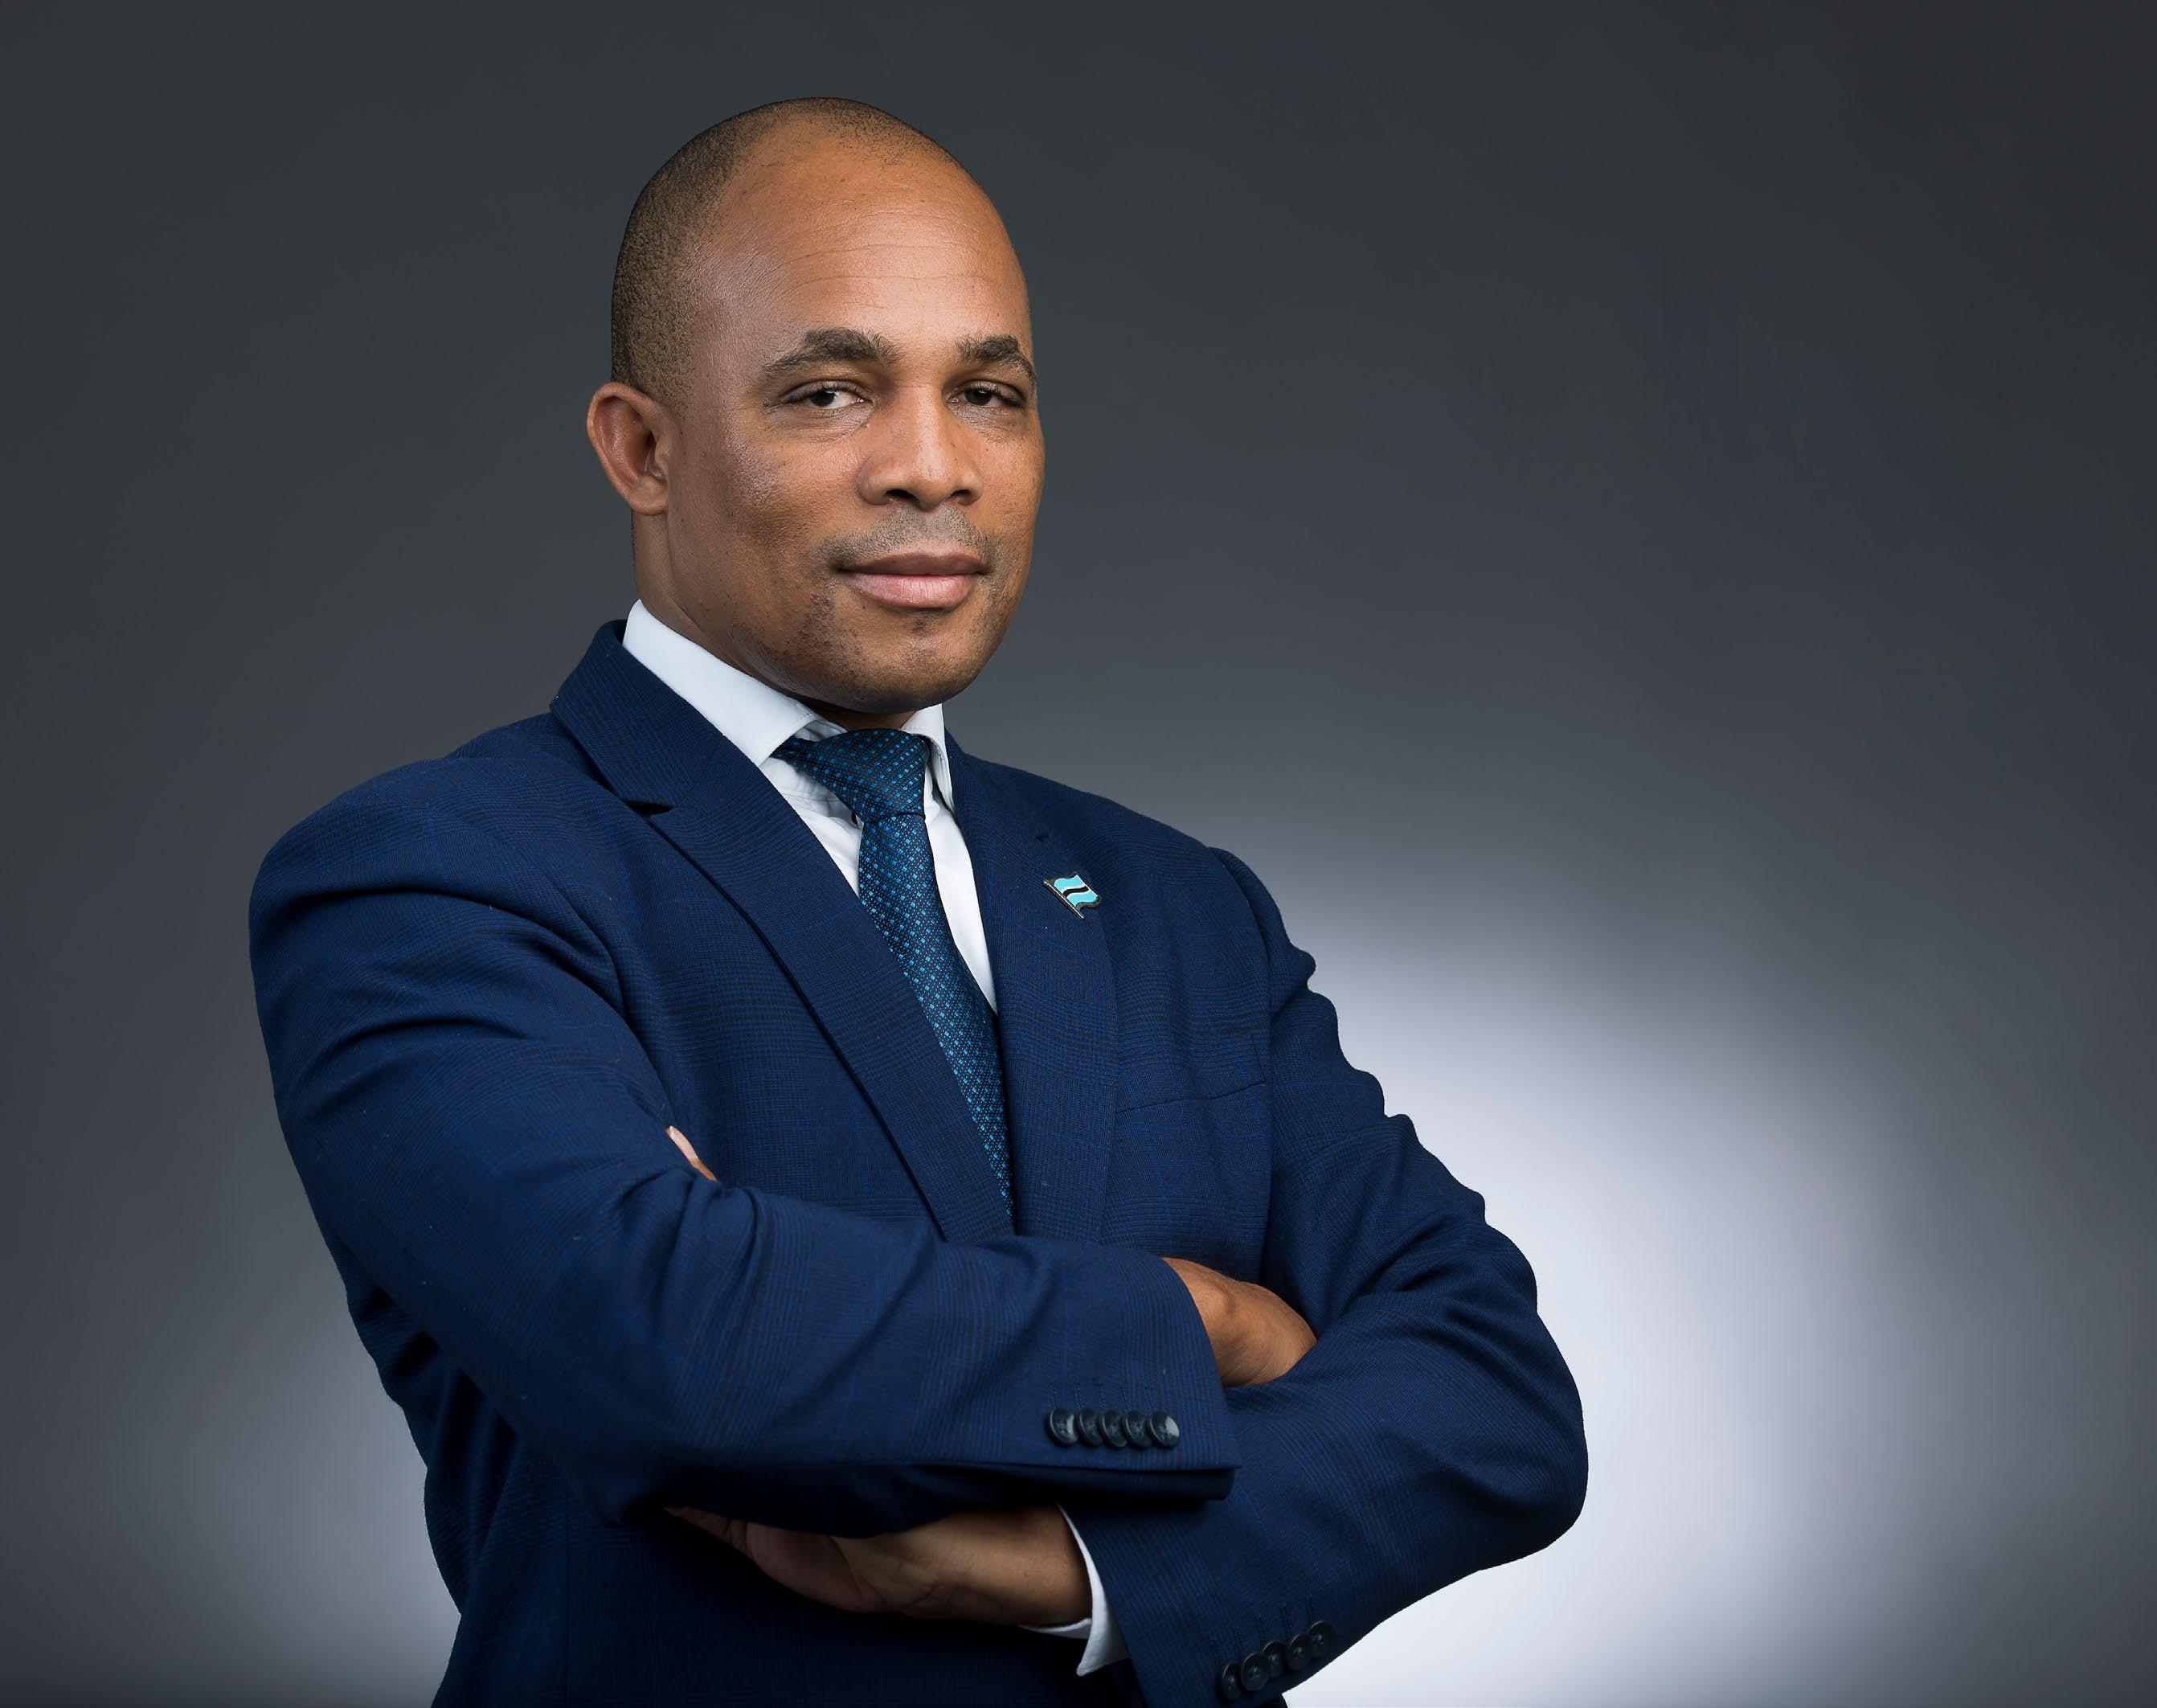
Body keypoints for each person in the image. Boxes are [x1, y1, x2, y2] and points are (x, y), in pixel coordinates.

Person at [247, 95, 1587, 1708]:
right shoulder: (429, 877)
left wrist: (1080, 1575)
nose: (933, 468)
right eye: (830, 391)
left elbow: (1497, 1395)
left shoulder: (1179, 906)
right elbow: (672, 1348)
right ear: (642, 448)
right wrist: (1208, 1322)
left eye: (988, 394)